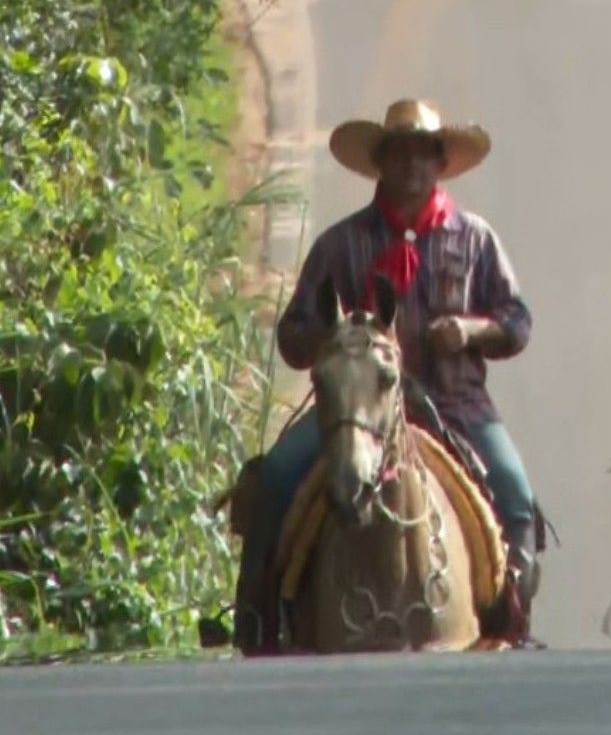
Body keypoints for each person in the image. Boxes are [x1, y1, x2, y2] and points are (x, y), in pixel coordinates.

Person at [231, 98, 545, 651]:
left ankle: (507, 618)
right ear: (381, 164)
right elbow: (292, 336)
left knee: (515, 493)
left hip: (455, 403)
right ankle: (256, 619)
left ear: (440, 164)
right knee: (277, 476)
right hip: (357, 412)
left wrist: (470, 332)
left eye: (424, 156)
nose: (412, 168)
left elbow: (517, 322)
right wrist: (332, 342)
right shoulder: (340, 244)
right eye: (400, 156)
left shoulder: (474, 239)